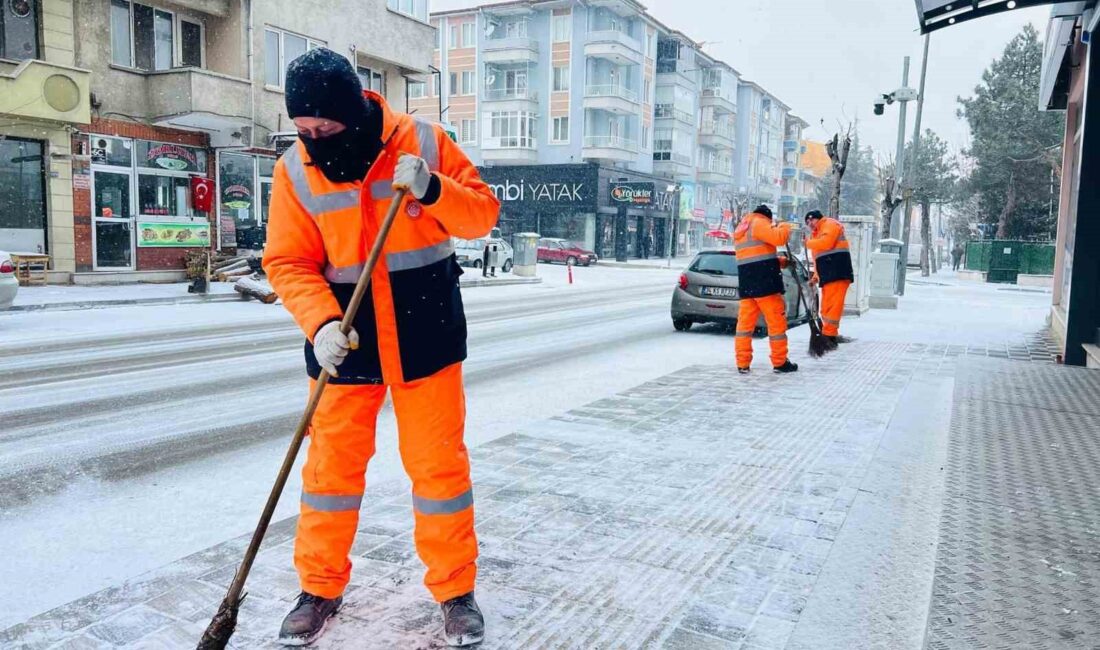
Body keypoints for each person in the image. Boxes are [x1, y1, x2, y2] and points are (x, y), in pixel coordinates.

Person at [263, 48, 500, 647]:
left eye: (326, 127)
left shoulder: (423, 140)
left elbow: (481, 217)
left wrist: (433, 187)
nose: (315, 139)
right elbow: (287, 261)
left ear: (354, 111)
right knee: (329, 476)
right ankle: (318, 588)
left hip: (426, 334)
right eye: (304, 129)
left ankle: (455, 592)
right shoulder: (294, 170)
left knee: (439, 471)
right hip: (344, 342)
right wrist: (319, 324)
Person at [733, 205, 798, 374]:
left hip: (748, 283)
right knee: (776, 323)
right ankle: (780, 362)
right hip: (765, 283)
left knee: (744, 326)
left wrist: (777, 261)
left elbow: (755, 256)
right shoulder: (759, 222)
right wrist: (783, 224)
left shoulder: (743, 227)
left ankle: (742, 363)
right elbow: (779, 238)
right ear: (767, 217)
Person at [804, 210, 854, 345]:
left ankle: (829, 335)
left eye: (811, 220)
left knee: (833, 306)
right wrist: (815, 276)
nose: (809, 224)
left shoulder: (829, 224)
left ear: (818, 218)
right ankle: (829, 332)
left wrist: (808, 243)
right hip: (829, 275)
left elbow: (826, 243)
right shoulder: (816, 236)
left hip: (838, 272)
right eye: (807, 222)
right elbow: (818, 260)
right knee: (826, 307)